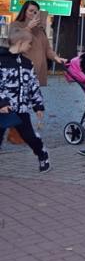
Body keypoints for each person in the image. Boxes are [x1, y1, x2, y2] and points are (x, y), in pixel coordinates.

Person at [0, 25, 50, 172]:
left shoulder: (27, 63)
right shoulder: (2, 61)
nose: (30, 46)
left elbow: (33, 86)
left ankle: (42, 154)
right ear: (20, 42)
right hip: (3, 109)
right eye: (29, 43)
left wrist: (38, 106)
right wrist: (2, 103)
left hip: (21, 109)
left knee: (29, 136)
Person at [11, 0, 66, 86]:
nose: (33, 14)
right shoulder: (16, 25)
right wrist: (28, 28)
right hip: (24, 69)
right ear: (24, 12)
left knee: (37, 93)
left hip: (40, 70)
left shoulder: (40, 29)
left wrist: (56, 57)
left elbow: (47, 49)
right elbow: (14, 41)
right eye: (31, 11)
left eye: (36, 12)